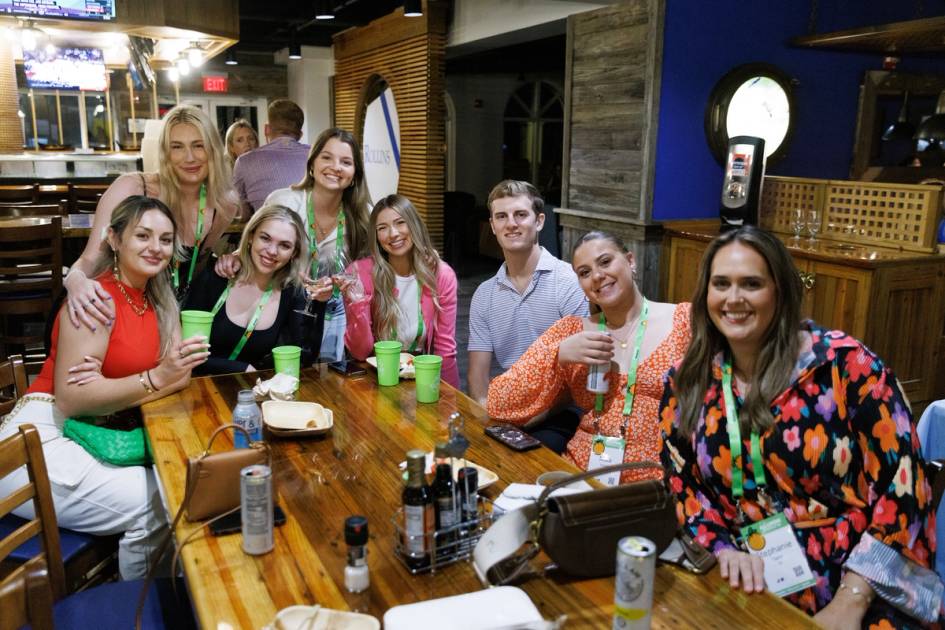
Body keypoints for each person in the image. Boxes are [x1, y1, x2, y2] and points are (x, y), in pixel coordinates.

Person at [658, 226, 941, 628]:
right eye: (721, 284)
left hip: (861, 580)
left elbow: (905, 486)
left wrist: (853, 600)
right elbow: (682, 483)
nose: (733, 298)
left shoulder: (846, 366)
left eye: (751, 284)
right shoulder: (688, 380)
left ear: (780, 292)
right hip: (747, 572)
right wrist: (722, 549)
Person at [0, 196, 210, 580]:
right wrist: (154, 379)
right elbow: (72, 397)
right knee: (159, 502)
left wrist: (159, 377)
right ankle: (142, 606)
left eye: (165, 239)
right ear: (114, 239)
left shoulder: (157, 300)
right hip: (38, 439)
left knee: (176, 481)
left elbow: (180, 376)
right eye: (142, 235)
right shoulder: (96, 300)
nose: (155, 247)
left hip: (85, 431)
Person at [487, 231, 690, 483]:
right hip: (581, 471)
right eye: (584, 272)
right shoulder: (572, 331)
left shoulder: (682, 322)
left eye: (605, 262)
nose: (597, 276)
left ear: (630, 261)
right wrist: (558, 355)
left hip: (656, 480)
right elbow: (499, 403)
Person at [64, 104, 238, 321]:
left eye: (198, 145)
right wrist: (75, 280)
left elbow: (197, 266)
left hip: (168, 315)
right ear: (165, 153)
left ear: (212, 150)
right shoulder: (131, 188)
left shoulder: (224, 204)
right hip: (110, 309)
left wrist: (234, 258)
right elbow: (90, 260)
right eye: (177, 147)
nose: (190, 157)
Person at [218, 127, 371, 363]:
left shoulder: (363, 216)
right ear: (312, 163)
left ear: (354, 174)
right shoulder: (284, 200)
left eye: (346, 162)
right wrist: (235, 256)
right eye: (327, 157)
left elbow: (375, 266)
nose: (335, 167)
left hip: (337, 316)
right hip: (284, 309)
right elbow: (259, 243)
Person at [469, 180, 588, 451]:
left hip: (558, 412)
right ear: (493, 226)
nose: (511, 223)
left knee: (531, 454)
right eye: (502, 216)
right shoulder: (484, 295)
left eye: (520, 214)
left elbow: (576, 379)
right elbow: (477, 377)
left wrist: (530, 419)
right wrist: (488, 413)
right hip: (507, 406)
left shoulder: (569, 282)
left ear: (539, 221)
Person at [184, 205, 325, 375]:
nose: (272, 251)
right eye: (265, 238)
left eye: (284, 245)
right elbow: (185, 354)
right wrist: (241, 368)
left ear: (294, 253)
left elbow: (303, 358)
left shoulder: (292, 294)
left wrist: (320, 303)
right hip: (198, 388)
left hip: (254, 393)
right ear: (251, 236)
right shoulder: (217, 277)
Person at [339, 194, 459, 388]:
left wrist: (451, 400)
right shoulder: (359, 273)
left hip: (419, 375)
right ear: (376, 236)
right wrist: (357, 303)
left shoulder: (441, 275)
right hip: (372, 378)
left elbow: (445, 350)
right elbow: (360, 352)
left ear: (414, 226)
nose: (393, 234)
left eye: (400, 223)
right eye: (382, 228)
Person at [232, 99, 310, 216]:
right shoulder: (318, 156)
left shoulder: (244, 162)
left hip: (268, 231)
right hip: (314, 232)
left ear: (266, 129)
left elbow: (243, 212)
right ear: (300, 135)